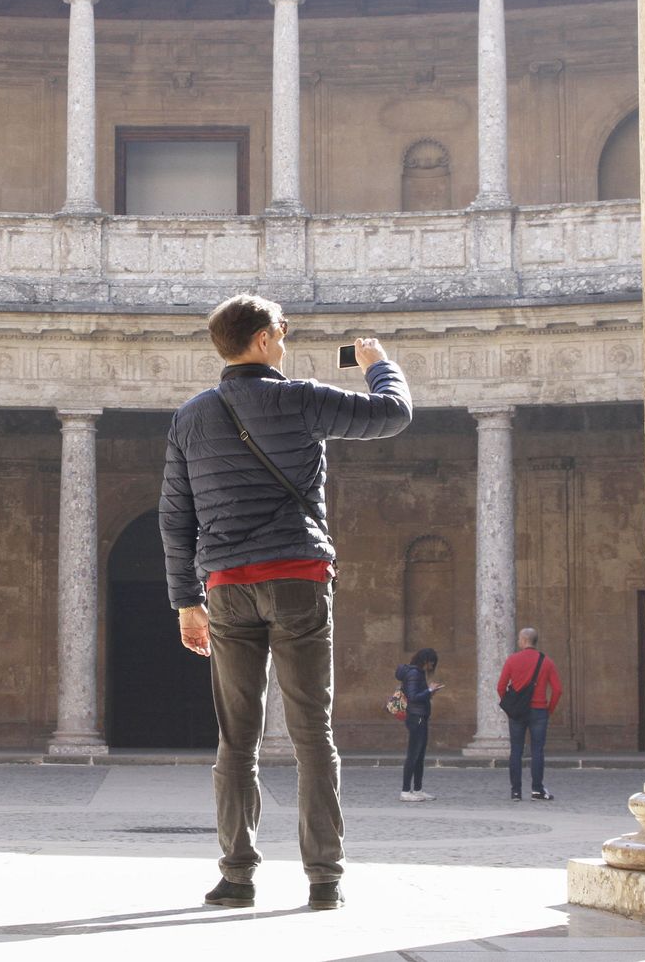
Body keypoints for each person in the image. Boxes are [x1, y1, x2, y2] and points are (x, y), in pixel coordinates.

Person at [160, 293, 412, 912]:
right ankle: (324, 878)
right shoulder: (298, 397)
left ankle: (236, 876)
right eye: (282, 332)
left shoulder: (191, 416)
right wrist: (378, 360)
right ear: (268, 337)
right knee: (311, 734)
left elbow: (176, 517)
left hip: (225, 588)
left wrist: (186, 603)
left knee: (235, 740)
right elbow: (393, 414)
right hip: (297, 576)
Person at [495, 627, 562, 801]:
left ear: (524, 641)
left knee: (516, 750)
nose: (518, 642)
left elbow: (500, 686)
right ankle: (537, 790)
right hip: (539, 711)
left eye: (519, 639)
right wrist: (549, 709)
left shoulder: (512, 660)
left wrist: (511, 706)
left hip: (518, 712)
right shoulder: (546, 661)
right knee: (537, 751)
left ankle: (515, 791)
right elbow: (557, 689)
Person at [395, 648, 442, 801]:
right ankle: (405, 791)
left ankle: (417, 789)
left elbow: (416, 695)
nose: (432, 666)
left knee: (419, 755)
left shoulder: (416, 673)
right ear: (425, 661)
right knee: (413, 754)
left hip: (420, 716)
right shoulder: (414, 673)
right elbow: (414, 696)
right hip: (416, 717)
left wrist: (429, 692)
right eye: (431, 662)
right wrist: (429, 690)